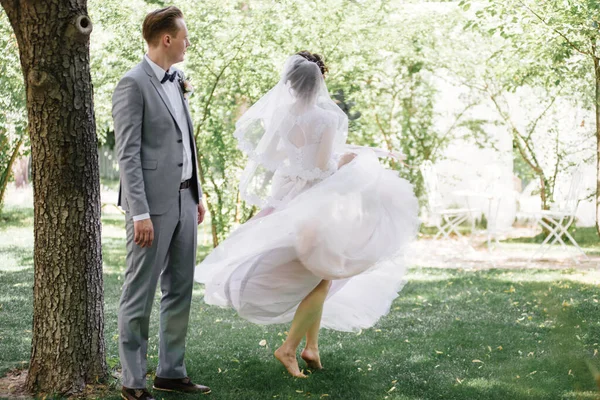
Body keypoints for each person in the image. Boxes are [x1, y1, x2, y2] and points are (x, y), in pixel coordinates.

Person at [195, 51, 420, 378]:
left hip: (287, 195)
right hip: (314, 201)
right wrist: (346, 163)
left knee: (322, 271)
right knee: (325, 271)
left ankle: (310, 347)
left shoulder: (283, 115)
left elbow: (275, 156)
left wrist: (317, 160)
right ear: (319, 82)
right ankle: (288, 348)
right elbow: (321, 167)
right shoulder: (328, 118)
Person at [112, 6, 210, 399]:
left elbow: (186, 139)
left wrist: (197, 195)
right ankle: (132, 382)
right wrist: (140, 212)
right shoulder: (132, 84)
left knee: (180, 288)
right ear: (167, 39)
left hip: (186, 199)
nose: (188, 41)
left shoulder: (177, 78)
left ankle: (171, 371)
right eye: (184, 35)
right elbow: (128, 155)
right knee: (140, 291)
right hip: (149, 209)